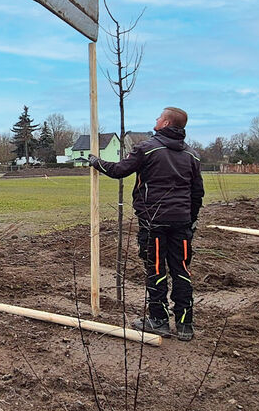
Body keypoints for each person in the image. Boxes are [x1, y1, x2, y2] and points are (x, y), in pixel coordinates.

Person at [84, 107, 204, 341]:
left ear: (167, 123)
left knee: (156, 269)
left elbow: (119, 170)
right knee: (181, 270)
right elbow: (197, 193)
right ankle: (184, 325)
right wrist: (190, 221)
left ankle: (158, 320)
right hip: (182, 222)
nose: (155, 120)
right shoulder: (192, 155)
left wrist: (96, 162)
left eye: (159, 117)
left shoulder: (148, 149)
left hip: (154, 221)